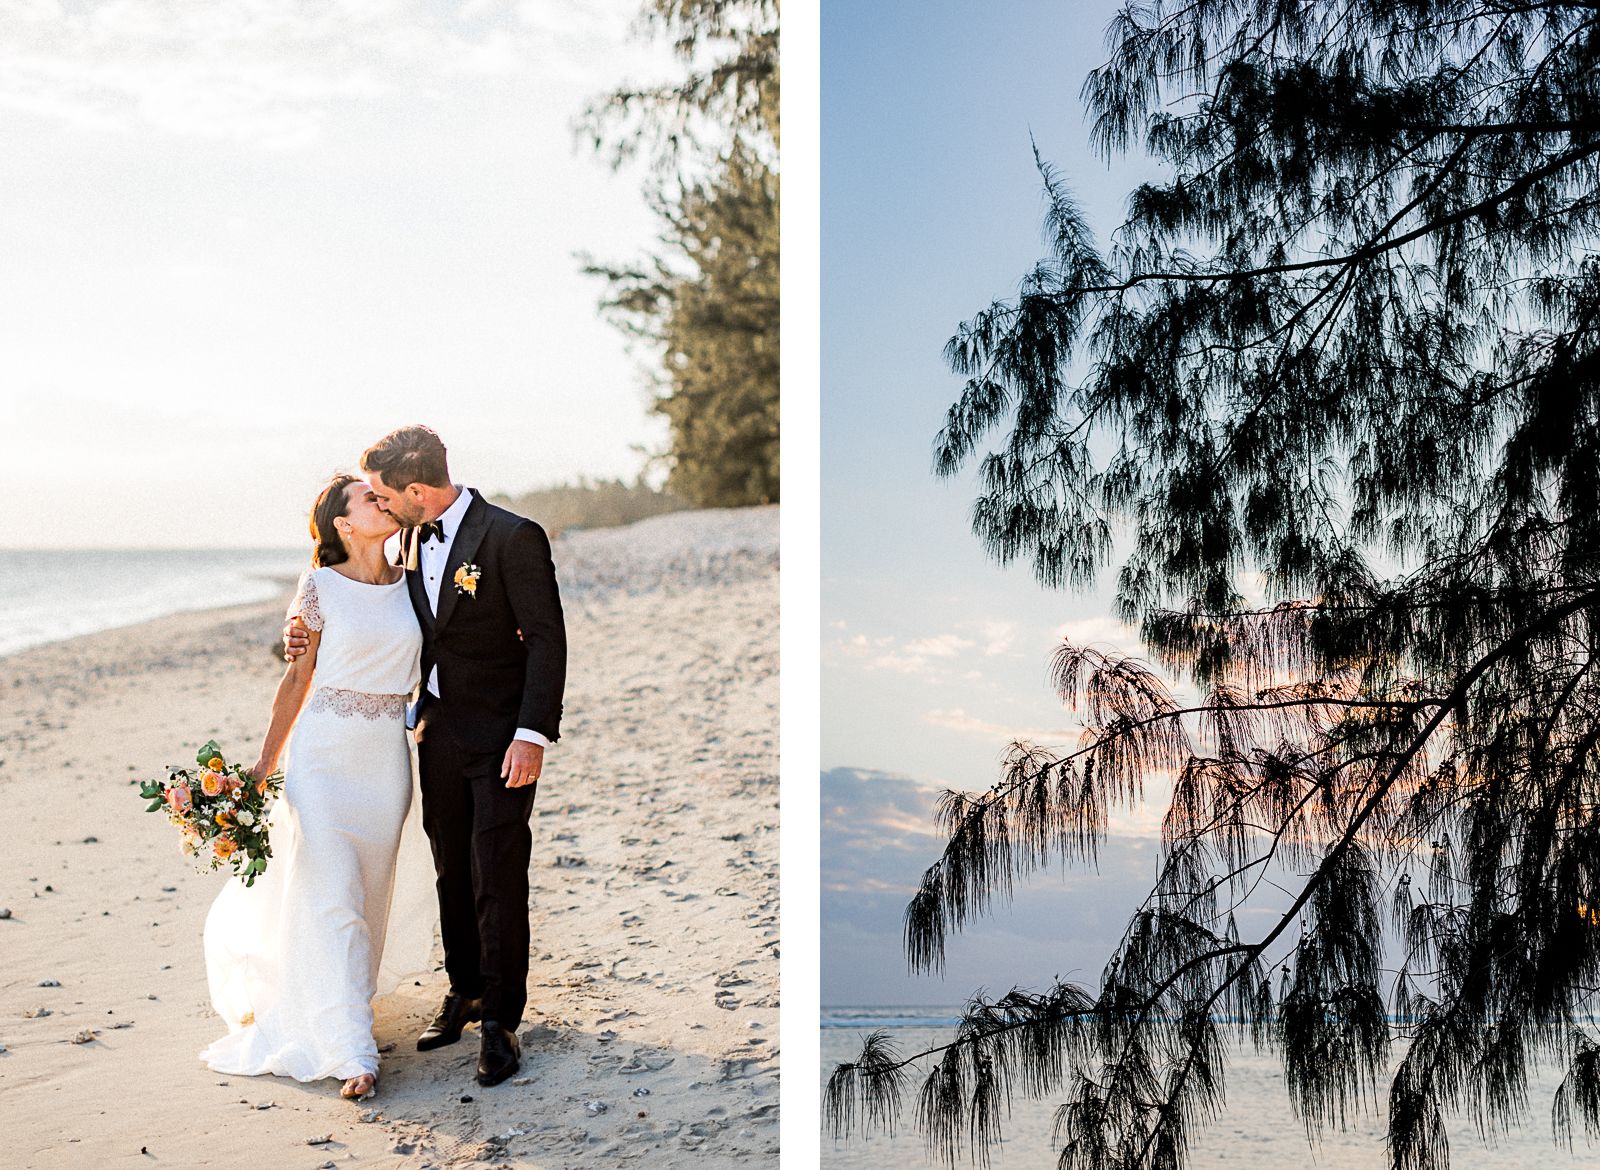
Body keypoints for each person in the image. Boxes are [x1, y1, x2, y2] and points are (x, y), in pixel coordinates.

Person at [284, 425, 567, 1087]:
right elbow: (362, 609)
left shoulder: (511, 536)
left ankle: (500, 1021)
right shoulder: (407, 540)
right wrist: (297, 630)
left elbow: (547, 639)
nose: (380, 504)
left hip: (503, 740)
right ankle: (465, 990)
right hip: (433, 736)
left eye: (385, 494)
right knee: (451, 872)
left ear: (417, 490)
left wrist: (533, 734)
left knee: (498, 871)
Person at [201, 474, 435, 1101]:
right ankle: (350, 1048)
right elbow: (296, 681)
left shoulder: (415, 579)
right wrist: (262, 766)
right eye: (368, 498)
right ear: (342, 524)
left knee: (368, 895)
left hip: (386, 759)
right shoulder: (317, 586)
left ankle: (343, 1006)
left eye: (384, 496)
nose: (382, 502)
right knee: (331, 889)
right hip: (323, 758)